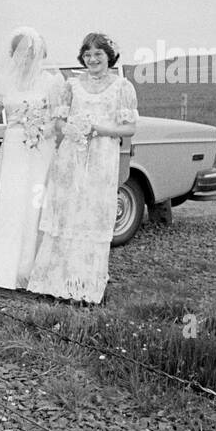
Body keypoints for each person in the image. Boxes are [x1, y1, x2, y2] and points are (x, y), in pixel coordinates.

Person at [28, 32, 139, 304]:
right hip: (71, 157)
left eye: (98, 54)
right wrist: (73, 130)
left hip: (102, 157)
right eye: (88, 55)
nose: (92, 60)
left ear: (109, 56)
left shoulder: (122, 87)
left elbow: (130, 128)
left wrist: (98, 130)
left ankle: (85, 287)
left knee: (92, 214)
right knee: (67, 213)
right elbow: (58, 123)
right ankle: (55, 283)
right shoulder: (72, 85)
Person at [0, 26, 67, 291]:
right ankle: (2, 270)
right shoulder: (1, 81)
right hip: (14, 147)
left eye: (32, 54)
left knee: (35, 203)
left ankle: (33, 270)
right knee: (11, 201)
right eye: (22, 53)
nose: (26, 58)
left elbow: (59, 118)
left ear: (41, 55)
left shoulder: (52, 82)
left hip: (41, 149)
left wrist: (43, 128)